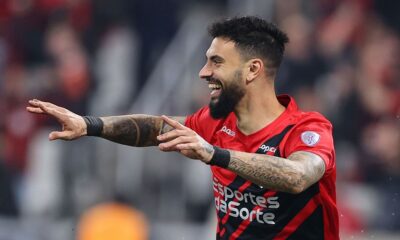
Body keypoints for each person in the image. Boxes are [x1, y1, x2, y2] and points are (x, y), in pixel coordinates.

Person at [27, 16, 339, 240]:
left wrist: (214, 154)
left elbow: (298, 176)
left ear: (253, 70)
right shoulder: (215, 122)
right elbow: (155, 129)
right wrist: (89, 124)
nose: (204, 73)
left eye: (216, 62)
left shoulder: (307, 127)